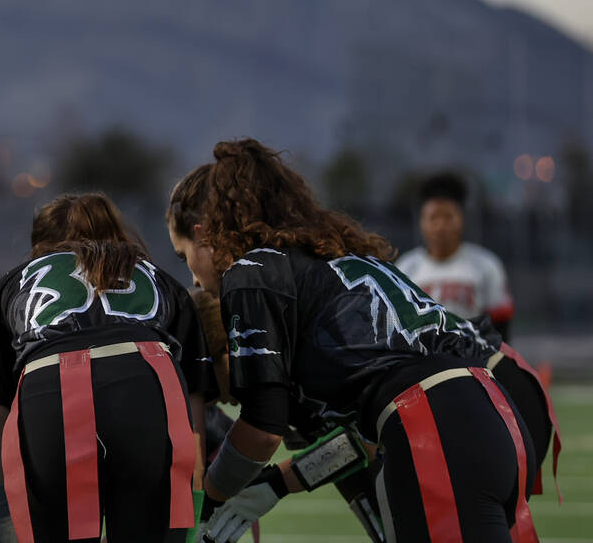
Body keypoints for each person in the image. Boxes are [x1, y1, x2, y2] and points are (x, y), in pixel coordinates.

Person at [167, 139, 538, 543]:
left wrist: (209, 501)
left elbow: (262, 429)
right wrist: (272, 485)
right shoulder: (325, 260)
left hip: (438, 423)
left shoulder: (254, 272)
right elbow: (353, 445)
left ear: (204, 235)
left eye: (184, 257)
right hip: (495, 409)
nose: (197, 281)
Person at [0, 192, 214, 543]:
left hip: (54, 385)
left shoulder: (16, 280)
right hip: (148, 380)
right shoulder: (161, 279)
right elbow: (192, 421)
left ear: (40, 246)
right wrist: (190, 509)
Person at [397, 172, 515, 339]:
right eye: (433, 218)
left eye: (448, 217)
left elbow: (501, 326)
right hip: (423, 361)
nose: (440, 226)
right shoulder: (405, 269)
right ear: (422, 222)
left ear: (461, 219)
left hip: (473, 359)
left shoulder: (486, 265)